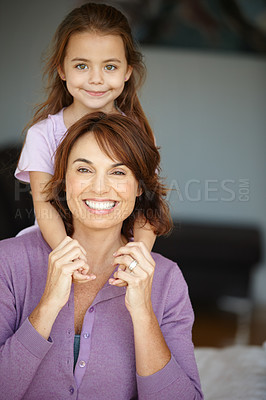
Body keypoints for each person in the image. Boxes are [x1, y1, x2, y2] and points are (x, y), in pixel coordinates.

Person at [1, 113, 203, 400]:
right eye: (84, 170)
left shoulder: (167, 280)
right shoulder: (7, 262)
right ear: (63, 180)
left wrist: (143, 313)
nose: (99, 187)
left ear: (139, 186)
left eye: (118, 172)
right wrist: (47, 306)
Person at [15, 2, 156, 259]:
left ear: (127, 71)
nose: (96, 79)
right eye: (82, 65)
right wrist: (69, 255)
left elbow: (149, 206)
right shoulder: (42, 135)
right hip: (53, 250)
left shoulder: (139, 134)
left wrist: (140, 252)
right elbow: (45, 208)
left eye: (110, 67)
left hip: (114, 254)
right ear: (62, 69)